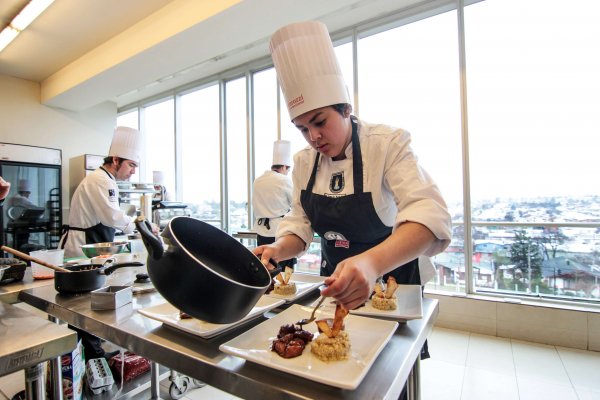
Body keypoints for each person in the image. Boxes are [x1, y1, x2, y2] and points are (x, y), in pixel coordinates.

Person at [253, 21, 452, 311]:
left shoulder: (386, 144)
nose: (313, 137)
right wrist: (278, 248)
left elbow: (430, 217)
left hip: (390, 277)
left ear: (346, 109)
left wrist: (371, 263)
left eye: (320, 122)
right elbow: (300, 223)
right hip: (335, 277)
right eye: (303, 129)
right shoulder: (304, 162)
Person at [59, 126, 145, 258]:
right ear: (116, 160)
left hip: (92, 242)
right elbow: (112, 217)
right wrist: (140, 226)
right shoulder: (101, 180)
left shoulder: (105, 179)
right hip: (84, 245)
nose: (133, 172)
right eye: (131, 165)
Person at [252, 140, 295, 269]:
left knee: (266, 267)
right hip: (279, 232)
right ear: (283, 167)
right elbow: (296, 203)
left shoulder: (258, 180)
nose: (287, 173)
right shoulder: (284, 180)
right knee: (284, 271)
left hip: (261, 231)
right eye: (287, 170)